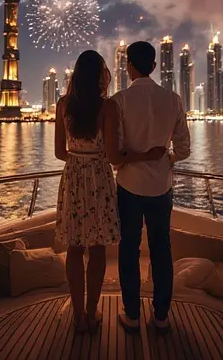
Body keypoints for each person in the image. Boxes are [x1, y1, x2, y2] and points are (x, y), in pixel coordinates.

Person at [54, 49, 166, 333]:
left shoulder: (63, 104)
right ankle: (92, 313)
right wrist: (146, 155)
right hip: (99, 179)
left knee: (74, 249)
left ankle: (78, 315)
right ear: (100, 76)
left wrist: (78, 161)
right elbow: (115, 157)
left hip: (73, 177)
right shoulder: (108, 108)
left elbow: (59, 152)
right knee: (97, 248)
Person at [109, 41, 191, 332]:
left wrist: (134, 158)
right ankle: (161, 316)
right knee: (161, 250)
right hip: (161, 188)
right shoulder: (174, 99)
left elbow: (116, 154)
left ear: (127, 66)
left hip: (129, 186)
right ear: (154, 66)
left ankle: (132, 315)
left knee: (129, 249)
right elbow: (184, 149)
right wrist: (168, 158)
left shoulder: (119, 100)